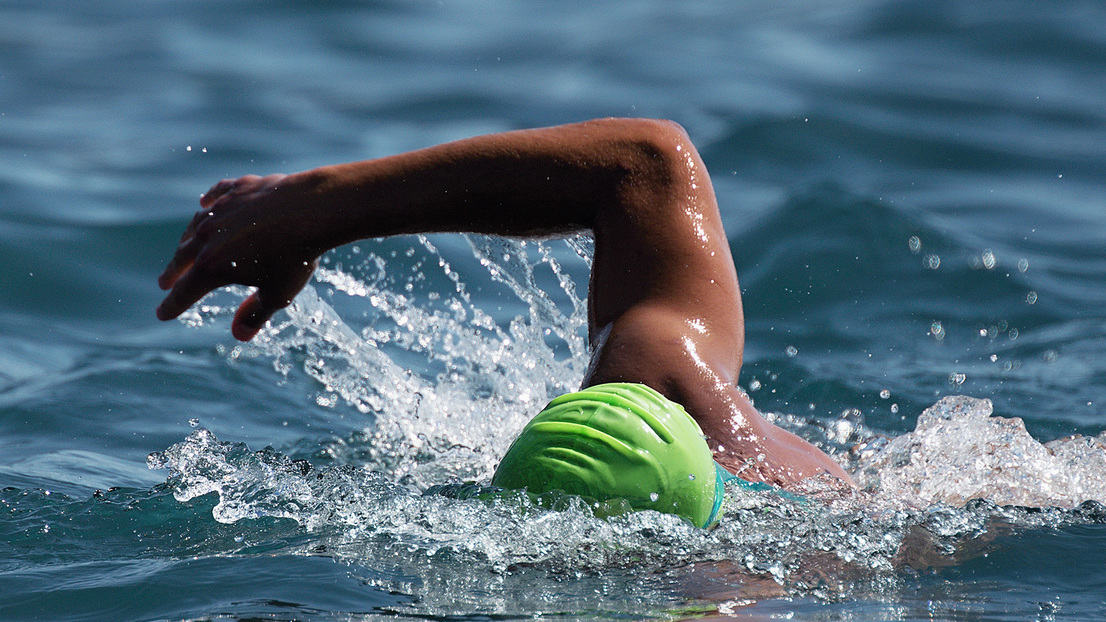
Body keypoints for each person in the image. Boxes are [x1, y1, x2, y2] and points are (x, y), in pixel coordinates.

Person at [157, 118, 855, 524]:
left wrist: (314, 210)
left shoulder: (665, 377)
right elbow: (647, 162)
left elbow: (645, 162)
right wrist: (314, 210)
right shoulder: (822, 531)